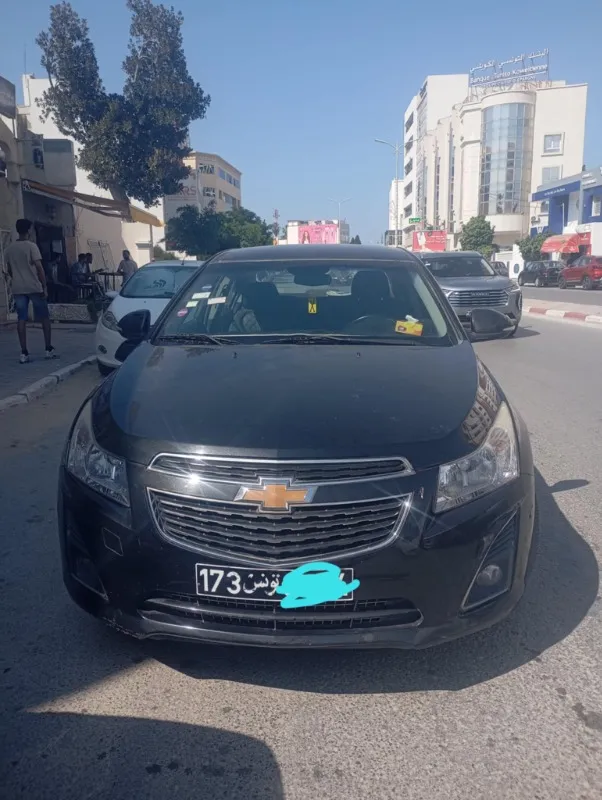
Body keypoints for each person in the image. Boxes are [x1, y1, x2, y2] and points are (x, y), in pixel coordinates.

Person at [3, 218, 57, 363]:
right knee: (44, 317)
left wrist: (16, 278)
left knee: (21, 318)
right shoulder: (32, 246)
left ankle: (24, 352)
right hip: (34, 286)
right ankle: (48, 349)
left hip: (18, 287)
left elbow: (9, 270)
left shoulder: (9, 249)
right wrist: (44, 286)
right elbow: (39, 268)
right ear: (28, 230)